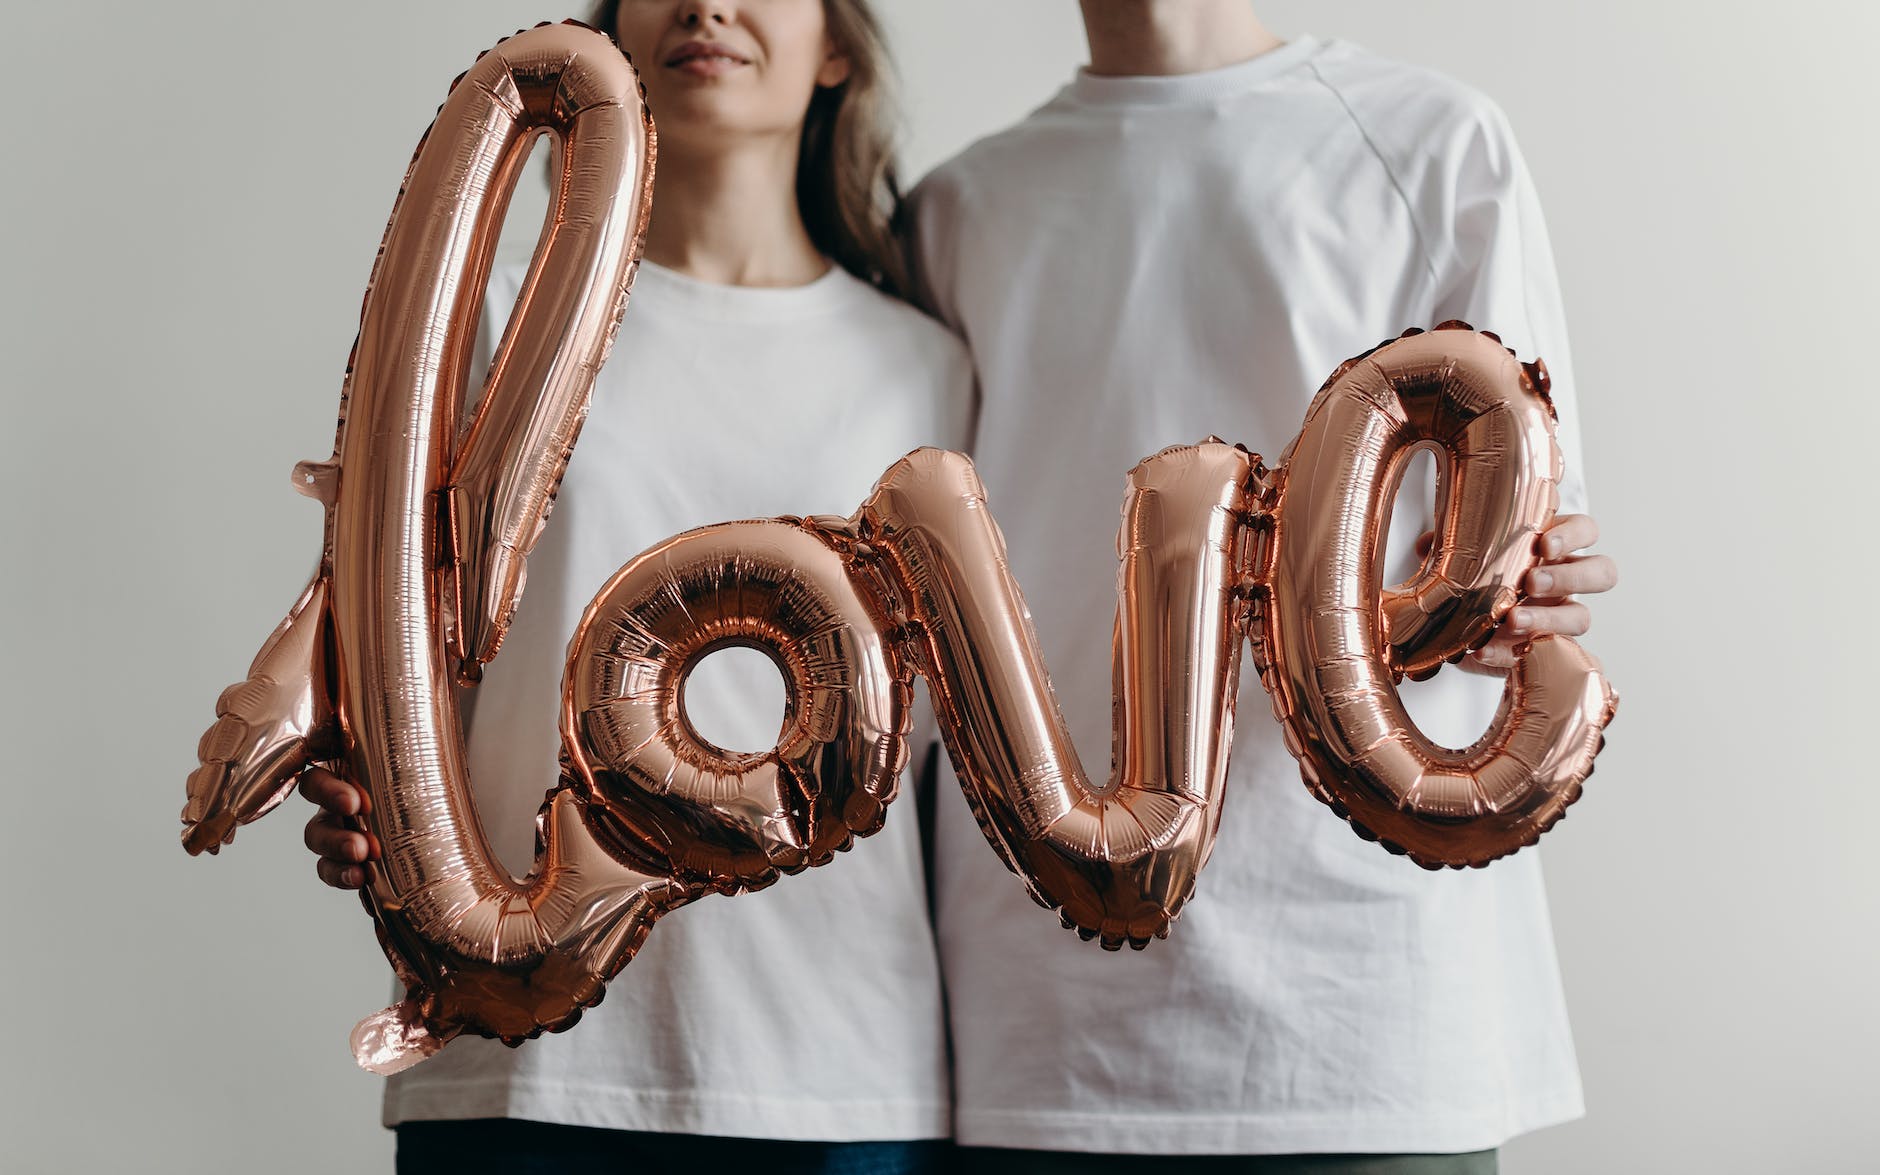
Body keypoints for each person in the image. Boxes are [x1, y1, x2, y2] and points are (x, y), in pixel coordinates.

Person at [906, 1, 1617, 1171]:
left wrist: (1533, 588)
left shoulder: (1429, 142)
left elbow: (1527, 537)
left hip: (1363, 1008)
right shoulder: (958, 209)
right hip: (1045, 1027)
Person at [299, 2, 972, 1172]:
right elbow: (388, 646)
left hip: (834, 1067)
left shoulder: (929, 368)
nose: (706, 4)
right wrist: (359, 781)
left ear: (837, 49)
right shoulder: (489, 318)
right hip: (521, 1057)